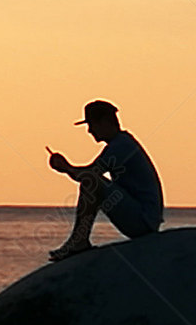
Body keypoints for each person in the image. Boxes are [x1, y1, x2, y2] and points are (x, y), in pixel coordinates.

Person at [46, 99, 164, 261]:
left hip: (143, 220)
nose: (89, 130)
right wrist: (68, 168)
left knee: (92, 182)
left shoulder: (121, 146)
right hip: (143, 217)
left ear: (104, 122)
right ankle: (78, 240)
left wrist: (66, 167)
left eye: (92, 124)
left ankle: (79, 241)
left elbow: (90, 175)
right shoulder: (120, 144)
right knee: (92, 181)